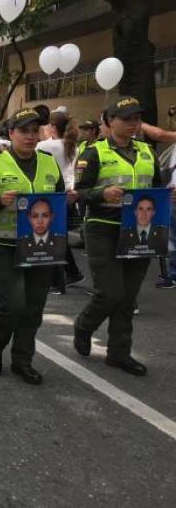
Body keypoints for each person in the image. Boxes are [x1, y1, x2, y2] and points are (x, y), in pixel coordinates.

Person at [0, 108, 70, 386]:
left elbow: (60, 201)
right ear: (11, 134)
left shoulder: (49, 163)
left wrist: (70, 199)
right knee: (12, 303)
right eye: (23, 131)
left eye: (34, 131)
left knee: (34, 306)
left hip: (42, 247)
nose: (30, 136)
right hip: (6, 246)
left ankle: (22, 360)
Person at [73, 96, 169, 376]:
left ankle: (119, 352)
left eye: (136, 119)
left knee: (128, 297)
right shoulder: (94, 152)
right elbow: (79, 193)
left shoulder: (147, 151)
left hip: (140, 230)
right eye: (126, 119)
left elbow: (156, 188)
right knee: (110, 293)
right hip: (103, 227)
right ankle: (84, 325)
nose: (133, 124)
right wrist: (102, 194)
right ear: (110, 121)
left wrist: (168, 196)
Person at [36, 110, 84, 291]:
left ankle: (57, 280)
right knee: (59, 235)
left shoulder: (45, 146)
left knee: (52, 237)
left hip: (52, 192)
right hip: (69, 192)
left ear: (53, 127)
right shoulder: (74, 145)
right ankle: (71, 273)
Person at [16, 198, 67, 262]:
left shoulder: (61, 241)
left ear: (52, 217)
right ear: (29, 218)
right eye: (35, 216)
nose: (40, 221)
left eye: (45, 216)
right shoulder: (21, 243)